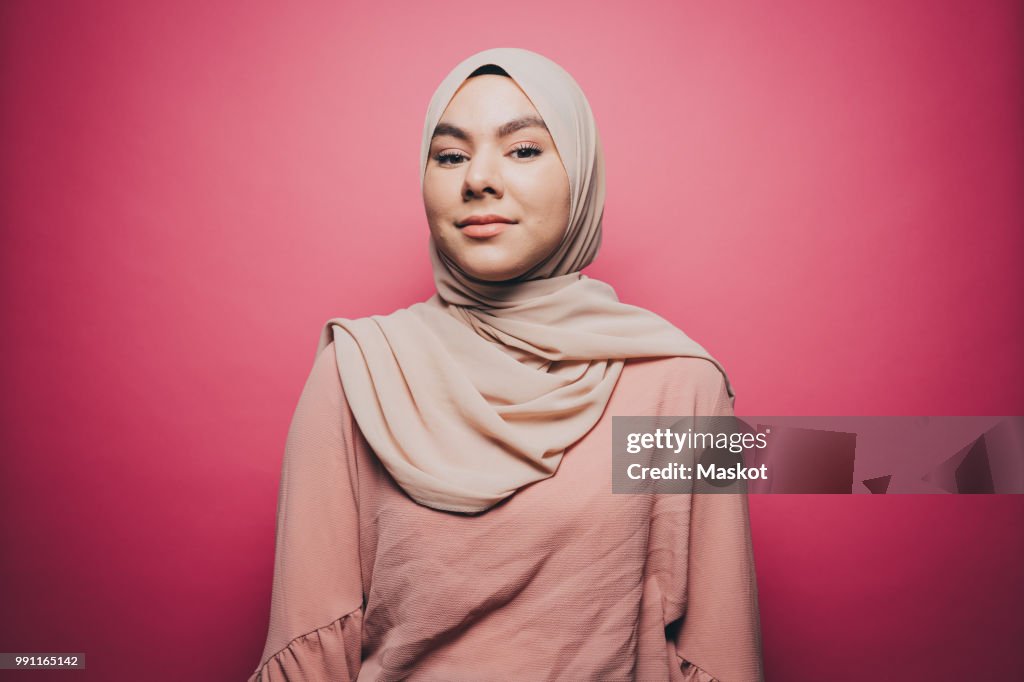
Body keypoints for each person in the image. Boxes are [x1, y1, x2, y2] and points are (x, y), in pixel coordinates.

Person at [248, 47, 764, 681]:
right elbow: (310, 647)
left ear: (580, 174)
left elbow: (715, 650)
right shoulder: (362, 374)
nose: (478, 180)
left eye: (523, 150)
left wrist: (909, 460)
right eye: (451, 155)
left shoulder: (676, 388)